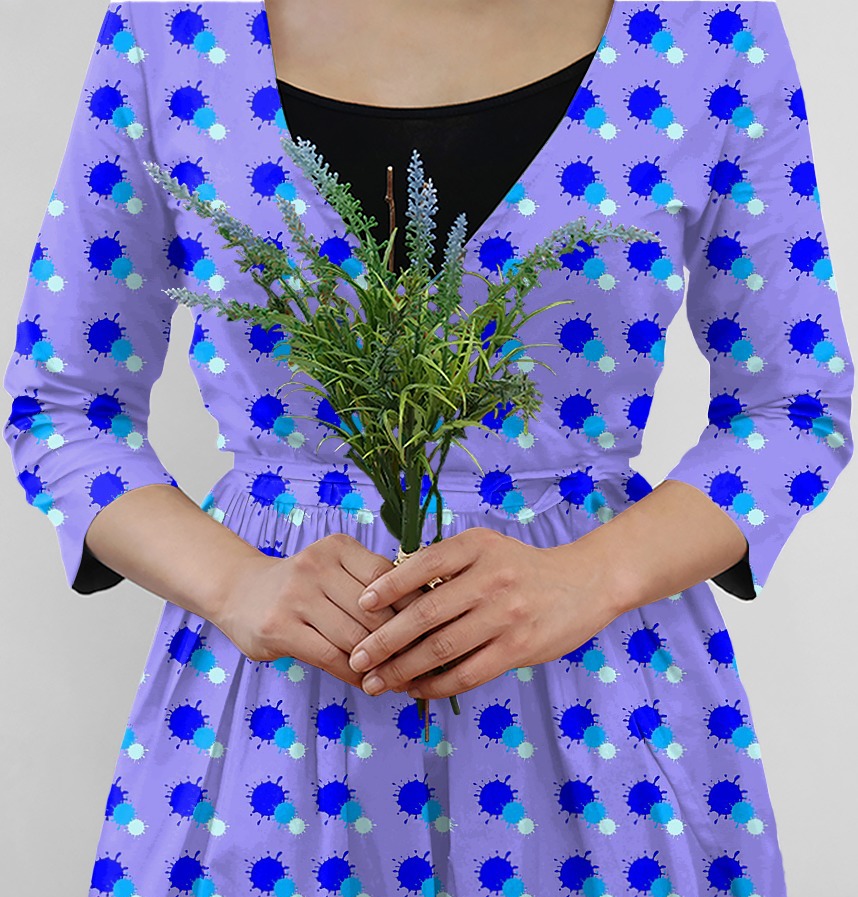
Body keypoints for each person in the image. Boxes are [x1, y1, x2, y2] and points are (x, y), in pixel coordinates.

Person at [3, 0, 852, 893]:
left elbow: (794, 406)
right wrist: (234, 582)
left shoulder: (710, 31)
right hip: (272, 722)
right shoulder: (170, 28)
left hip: (600, 719)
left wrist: (591, 577)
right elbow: (64, 404)